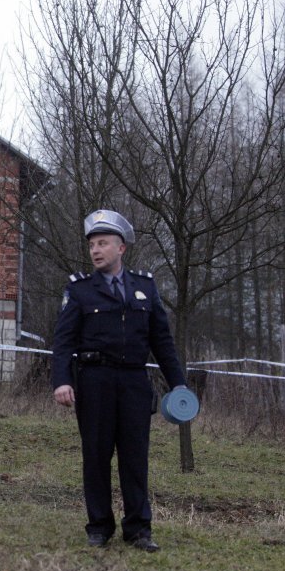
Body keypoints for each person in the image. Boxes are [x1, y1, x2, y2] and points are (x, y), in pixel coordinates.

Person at [51, 209, 187, 552]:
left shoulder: (145, 287)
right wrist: (62, 381)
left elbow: (162, 342)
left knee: (135, 458)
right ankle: (99, 526)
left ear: (121, 247)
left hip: (134, 384)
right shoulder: (79, 290)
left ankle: (139, 529)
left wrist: (179, 385)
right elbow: (63, 342)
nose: (96, 250)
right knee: (96, 456)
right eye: (92, 244)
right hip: (94, 381)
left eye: (103, 243)